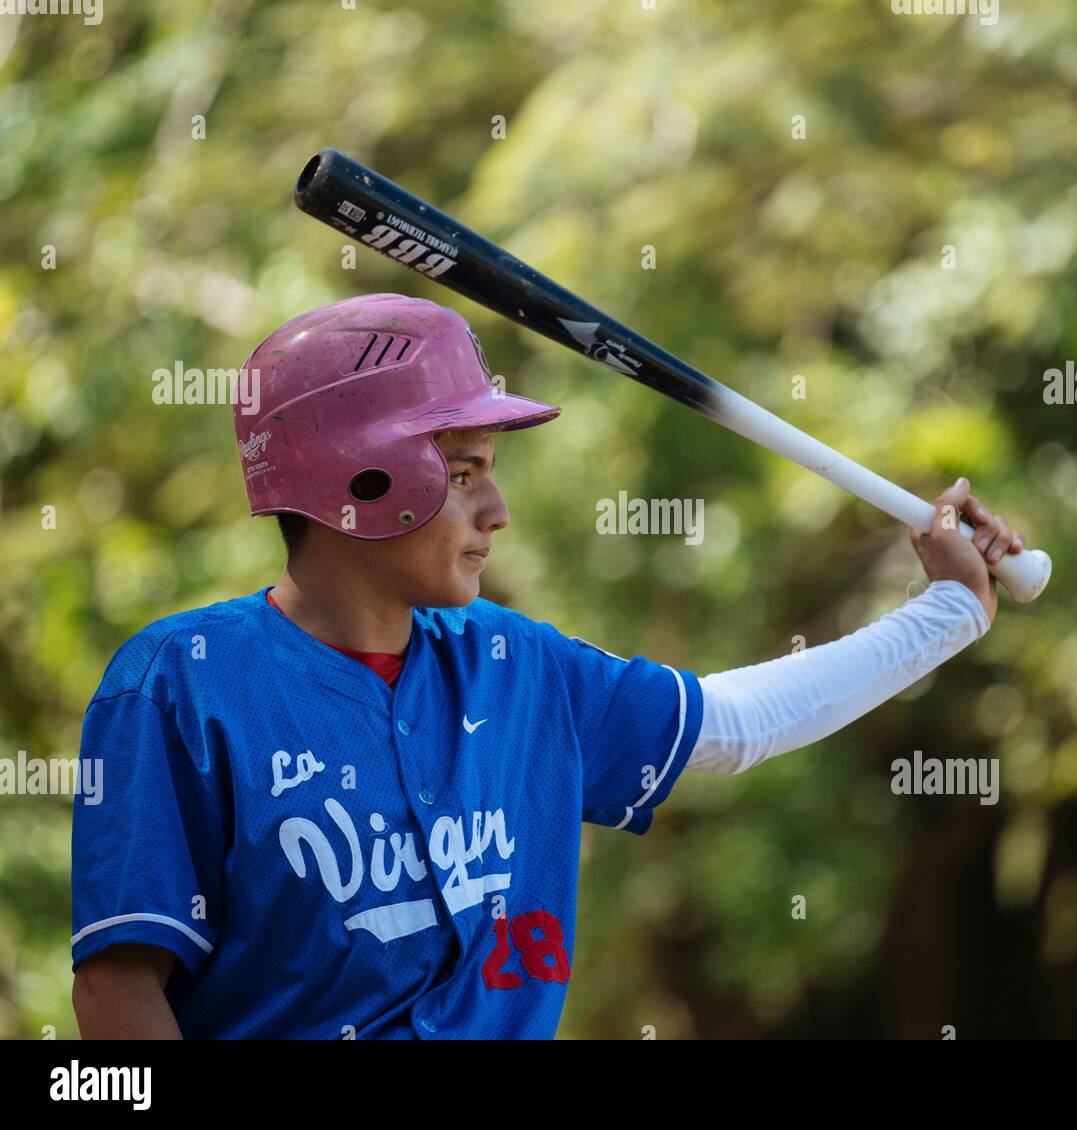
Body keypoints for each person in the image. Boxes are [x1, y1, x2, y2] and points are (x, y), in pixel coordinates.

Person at [70, 293, 1024, 1039]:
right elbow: (117, 993)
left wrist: (947, 612)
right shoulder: (180, 683)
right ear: (364, 479)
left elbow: (734, 724)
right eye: (468, 471)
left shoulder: (517, 666)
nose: (497, 513)